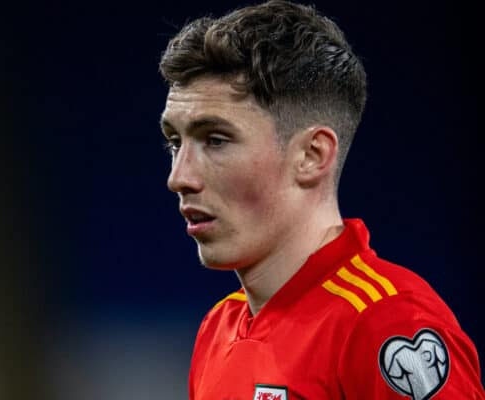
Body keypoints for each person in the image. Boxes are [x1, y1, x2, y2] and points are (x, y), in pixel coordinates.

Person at [157, 1, 484, 399]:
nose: (179, 177)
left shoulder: (387, 325)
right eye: (175, 142)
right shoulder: (217, 327)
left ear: (312, 156)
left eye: (216, 140)